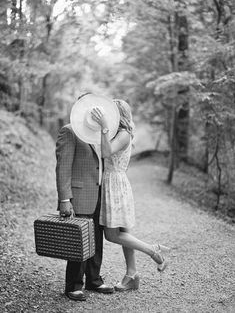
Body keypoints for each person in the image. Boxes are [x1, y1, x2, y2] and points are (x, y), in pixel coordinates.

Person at [91, 99, 169, 291]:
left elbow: (106, 152)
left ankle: (153, 251)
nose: (108, 117)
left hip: (115, 185)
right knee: (124, 233)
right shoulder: (119, 133)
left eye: (111, 113)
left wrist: (103, 127)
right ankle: (132, 275)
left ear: (120, 115)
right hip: (114, 183)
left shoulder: (125, 134)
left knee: (111, 234)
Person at [55, 96, 114, 301]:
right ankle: (73, 285)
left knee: (96, 239)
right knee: (78, 241)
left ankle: (94, 280)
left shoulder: (98, 132)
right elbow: (63, 167)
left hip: (98, 194)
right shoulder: (69, 131)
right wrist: (64, 199)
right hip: (78, 195)